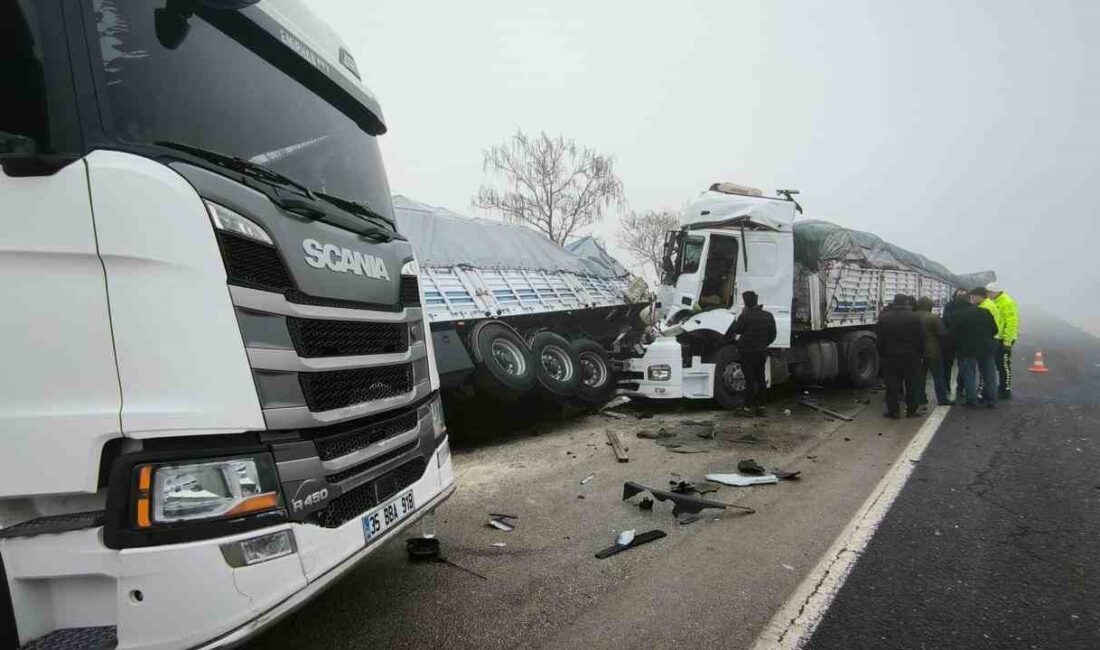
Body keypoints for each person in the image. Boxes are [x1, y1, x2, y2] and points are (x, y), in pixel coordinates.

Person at [729, 290, 776, 417]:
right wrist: (763, 344)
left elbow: (736, 330)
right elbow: (773, 335)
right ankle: (761, 407)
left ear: (746, 303)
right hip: (761, 352)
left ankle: (748, 408)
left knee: (749, 380)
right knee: (760, 379)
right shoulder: (768, 316)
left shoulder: (745, 316)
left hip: (747, 353)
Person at [876, 293, 924, 419]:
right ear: (906, 302)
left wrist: (881, 354)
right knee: (912, 384)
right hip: (911, 356)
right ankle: (911, 411)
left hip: (890, 356)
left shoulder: (884, 318)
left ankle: (893, 411)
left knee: (891, 384)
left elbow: (879, 340)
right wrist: (921, 353)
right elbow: (921, 338)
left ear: (894, 302)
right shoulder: (915, 317)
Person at [950, 289, 999, 408]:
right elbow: (995, 330)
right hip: (986, 348)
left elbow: (953, 332)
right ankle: (992, 400)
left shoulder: (959, 315)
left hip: (967, 349)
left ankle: (971, 400)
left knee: (969, 374)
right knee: (989, 375)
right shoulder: (985, 312)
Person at [915, 296, 953, 406]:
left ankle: (920, 398)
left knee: (920, 377)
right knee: (938, 377)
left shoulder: (912, 317)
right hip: (934, 352)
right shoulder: (934, 318)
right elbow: (943, 334)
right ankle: (942, 399)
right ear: (930, 306)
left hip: (918, 353)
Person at [986, 282, 1018, 399]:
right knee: (994, 363)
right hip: (996, 337)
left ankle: (1005, 389)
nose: (987, 294)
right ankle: (997, 388)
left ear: (995, 291)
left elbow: (1011, 323)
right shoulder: (993, 301)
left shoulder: (1007, 302)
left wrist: (1007, 341)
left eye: (989, 292)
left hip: (1004, 338)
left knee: (1004, 364)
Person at [973, 287, 1002, 401]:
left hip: (987, 340)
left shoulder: (985, 307)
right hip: (993, 339)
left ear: (979, 296)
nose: (971, 299)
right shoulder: (990, 304)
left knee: (985, 370)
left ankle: (985, 395)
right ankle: (989, 395)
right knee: (988, 369)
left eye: (972, 297)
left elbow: (984, 327)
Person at [941, 288, 969, 399]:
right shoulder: (969, 307)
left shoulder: (949, 306)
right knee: (962, 365)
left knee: (949, 365)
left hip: (950, 340)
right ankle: (958, 388)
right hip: (960, 340)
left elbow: (945, 319)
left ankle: (951, 388)